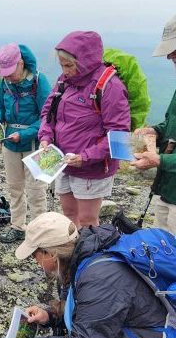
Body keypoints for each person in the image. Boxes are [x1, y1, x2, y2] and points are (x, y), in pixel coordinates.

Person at [7, 212, 176, 338]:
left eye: (35, 254)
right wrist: (49, 315)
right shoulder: (83, 254)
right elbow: (89, 310)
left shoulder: (100, 277)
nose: (34, 261)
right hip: (135, 336)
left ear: (50, 254)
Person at [38, 31, 130, 229]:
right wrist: (45, 136)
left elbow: (119, 134)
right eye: (62, 65)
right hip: (63, 162)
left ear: (85, 61)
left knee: (88, 221)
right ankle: (74, 257)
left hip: (91, 168)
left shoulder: (110, 86)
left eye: (69, 65)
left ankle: (90, 259)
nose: (65, 70)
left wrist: (85, 157)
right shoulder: (65, 81)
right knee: (69, 216)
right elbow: (48, 112)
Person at [0, 43, 51, 243]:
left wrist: (24, 135)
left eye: (9, 72)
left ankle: (39, 230)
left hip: (34, 144)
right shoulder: (5, 84)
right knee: (15, 187)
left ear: (21, 63)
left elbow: (47, 117)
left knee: (36, 190)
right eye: (3, 73)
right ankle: (18, 226)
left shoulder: (39, 82)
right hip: (9, 143)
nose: (6, 77)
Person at [131, 14, 176, 235]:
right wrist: (155, 131)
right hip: (167, 188)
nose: (169, 57)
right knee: (164, 251)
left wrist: (158, 159)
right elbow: (171, 123)